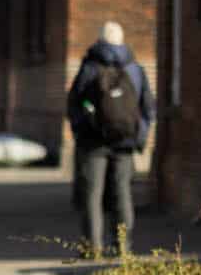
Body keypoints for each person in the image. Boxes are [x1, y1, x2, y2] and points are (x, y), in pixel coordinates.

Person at [66, 20, 154, 256]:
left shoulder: (90, 66)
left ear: (100, 39)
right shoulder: (135, 68)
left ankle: (92, 247)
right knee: (122, 193)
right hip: (125, 141)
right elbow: (147, 107)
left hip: (93, 142)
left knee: (92, 195)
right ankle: (122, 246)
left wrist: (80, 129)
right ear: (122, 40)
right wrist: (139, 136)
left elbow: (74, 101)